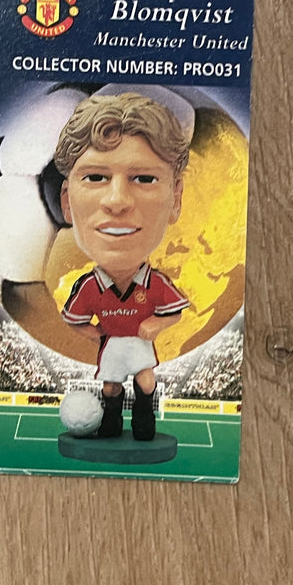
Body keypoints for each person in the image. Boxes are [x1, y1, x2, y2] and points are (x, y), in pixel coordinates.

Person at [54, 93, 191, 440]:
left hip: (138, 346)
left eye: (144, 178)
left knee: (146, 381)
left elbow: (174, 312)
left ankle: (144, 423)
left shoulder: (155, 284)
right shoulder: (89, 287)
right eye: (95, 177)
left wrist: (156, 323)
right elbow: (75, 319)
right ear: (66, 202)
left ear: (176, 199)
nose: (117, 201)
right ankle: (111, 423)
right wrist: (97, 334)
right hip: (113, 345)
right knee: (111, 386)